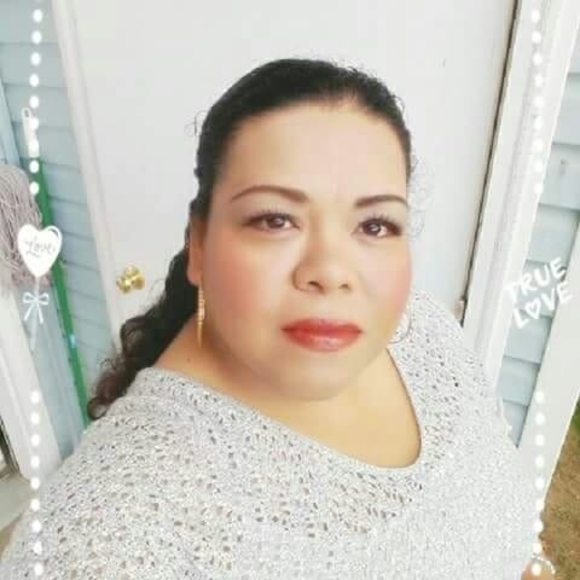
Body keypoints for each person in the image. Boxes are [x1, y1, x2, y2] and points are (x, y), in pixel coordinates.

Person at [0, 57, 554, 579]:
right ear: (199, 244)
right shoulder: (105, 541)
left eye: (375, 225)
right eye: (275, 220)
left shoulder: (427, 332)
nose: (330, 271)